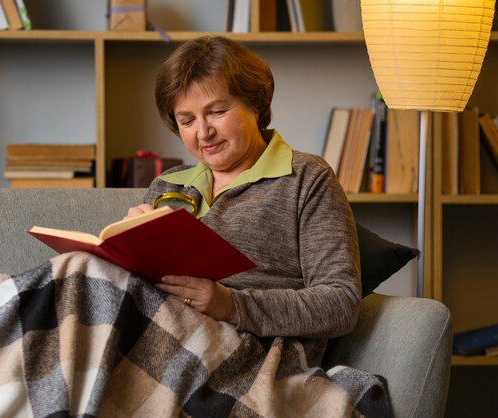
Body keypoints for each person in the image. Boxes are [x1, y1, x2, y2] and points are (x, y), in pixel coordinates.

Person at [126, 35, 361, 367]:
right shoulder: (167, 184)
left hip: (250, 355)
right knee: (77, 273)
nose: (203, 132)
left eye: (217, 111)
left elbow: (341, 303)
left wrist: (232, 304)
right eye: (187, 120)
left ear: (255, 104)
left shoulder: (306, 177)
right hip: (160, 341)